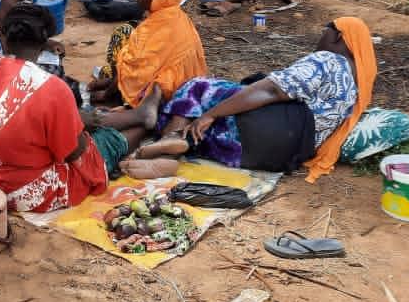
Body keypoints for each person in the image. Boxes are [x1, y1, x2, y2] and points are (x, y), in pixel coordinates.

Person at [0, 4, 163, 213]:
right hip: (20, 190)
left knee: (79, 124)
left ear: (4, 39)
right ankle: (147, 124)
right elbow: (76, 152)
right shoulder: (53, 87)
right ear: (44, 43)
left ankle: (142, 116)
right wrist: (80, 126)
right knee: (101, 144)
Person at [137, 17, 377, 181]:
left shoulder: (329, 60)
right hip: (278, 156)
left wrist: (212, 114)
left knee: (198, 87)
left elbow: (272, 90)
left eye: (325, 31)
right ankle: (174, 151)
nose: (320, 37)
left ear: (338, 36)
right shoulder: (356, 89)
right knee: (211, 125)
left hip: (269, 129)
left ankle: (172, 140)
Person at [88, 0, 207, 107]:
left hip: (168, 93)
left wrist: (106, 94)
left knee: (123, 40)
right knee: (124, 43)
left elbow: (140, 71)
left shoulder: (162, 25)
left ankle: (122, 96)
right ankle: (115, 85)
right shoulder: (173, 15)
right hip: (184, 86)